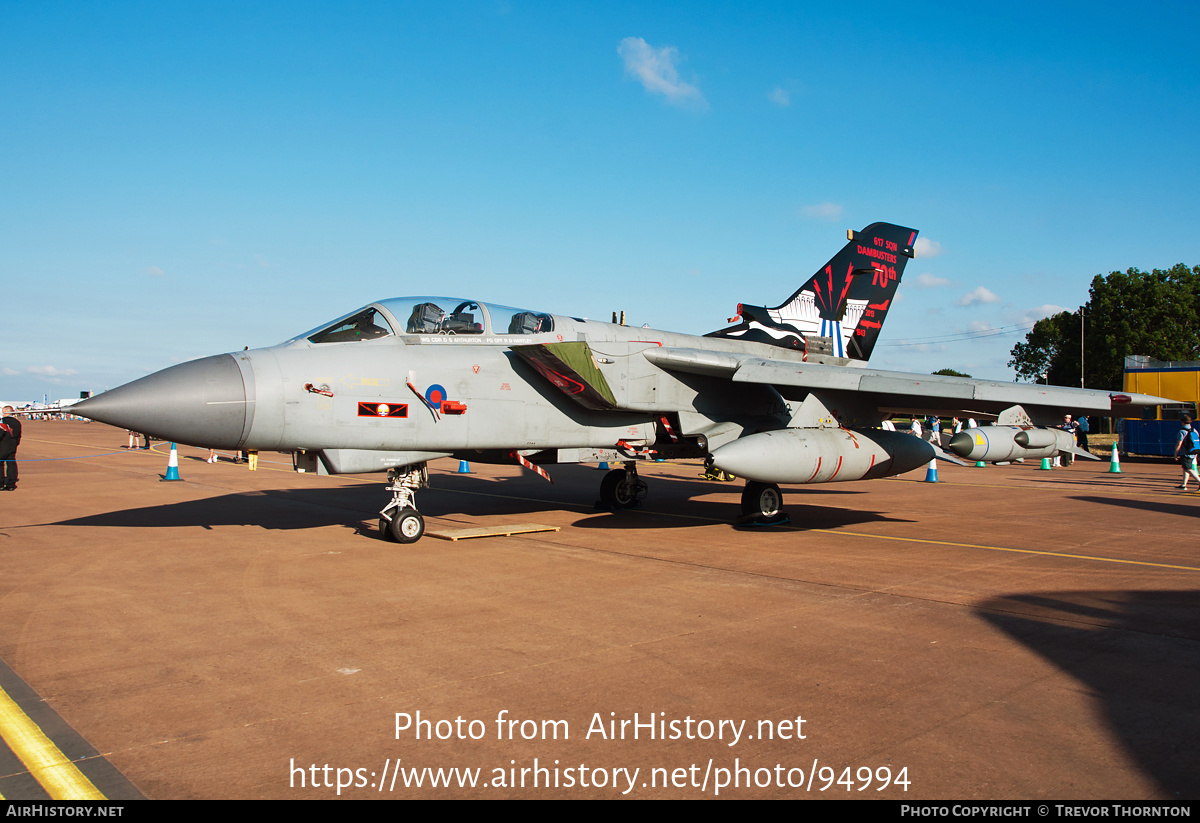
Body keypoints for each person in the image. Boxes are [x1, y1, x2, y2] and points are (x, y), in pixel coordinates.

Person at [1174, 414, 1200, 491]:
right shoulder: (1194, 430)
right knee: (1185, 468)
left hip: (1186, 453)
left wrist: (1175, 454)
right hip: (1194, 451)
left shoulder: (1182, 431)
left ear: (1182, 422)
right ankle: (1184, 484)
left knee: (1187, 468)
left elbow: (1179, 444)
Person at [0, 405, 22, 491]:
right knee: (11, 464)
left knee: (0, 464)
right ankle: (11, 484)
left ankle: (1, 483)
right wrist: (15, 443)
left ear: (5, 411)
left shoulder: (3, 421)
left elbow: (1, 433)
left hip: (3, 445)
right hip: (12, 445)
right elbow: (18, 435)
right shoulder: (17, 422)